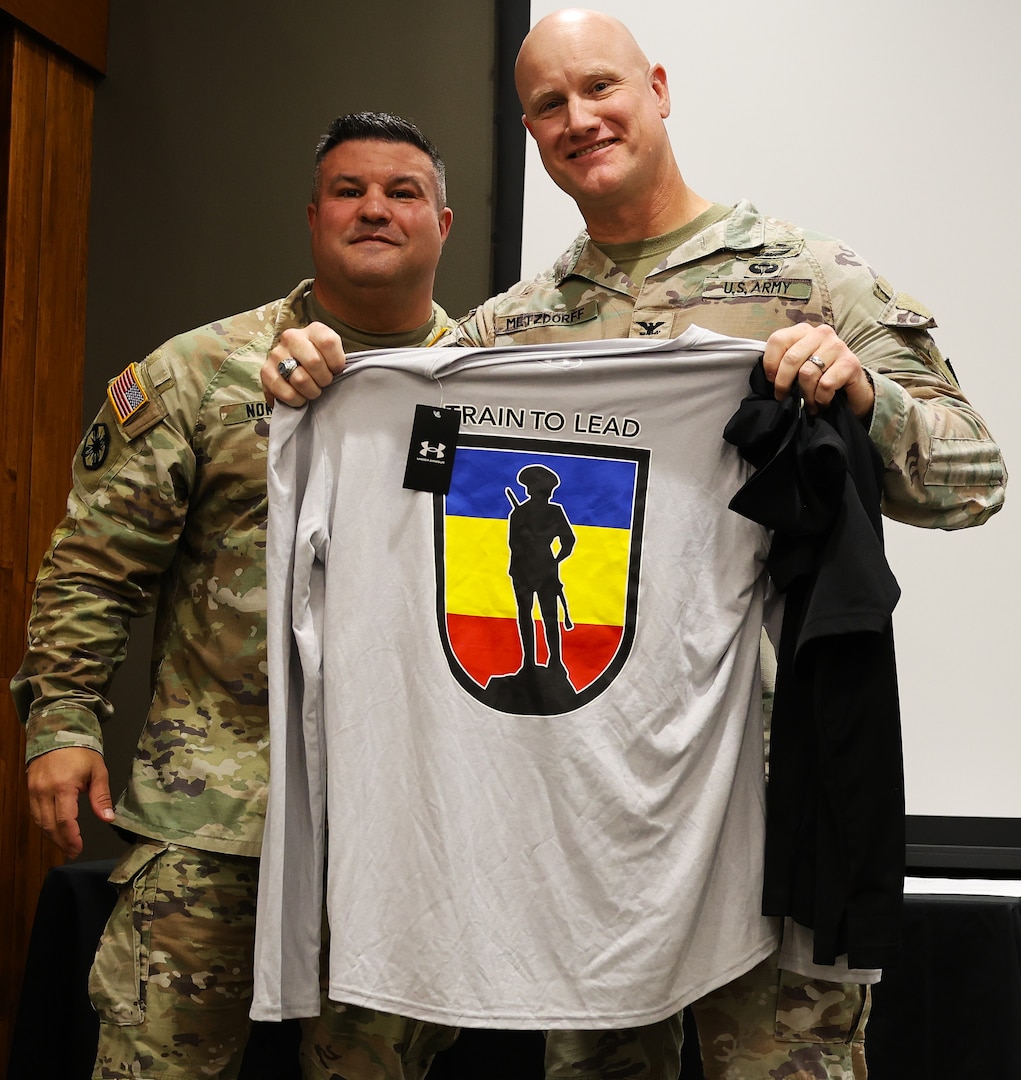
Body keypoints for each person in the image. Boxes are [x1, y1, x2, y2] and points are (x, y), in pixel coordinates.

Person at [262, 11, 1005, 1080]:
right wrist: (324, 389)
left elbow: (970, 480)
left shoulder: (807, 279)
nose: (580, 119)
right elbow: (403, 489)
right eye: (549, 105)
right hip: (588, 831)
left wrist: (858, 391)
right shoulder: (510, 332)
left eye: (599, 88)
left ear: (656, 88)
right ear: (528, 130)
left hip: (766, 808)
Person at [11, 111, 460, 1080]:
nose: (374, 209)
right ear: (311, 216)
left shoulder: (496, 392)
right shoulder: (199, 373)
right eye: (349, 190)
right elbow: (95, 562)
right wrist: (61, 720)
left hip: (398, 826)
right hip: (213, 810)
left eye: (401, 192)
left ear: (442, 224)